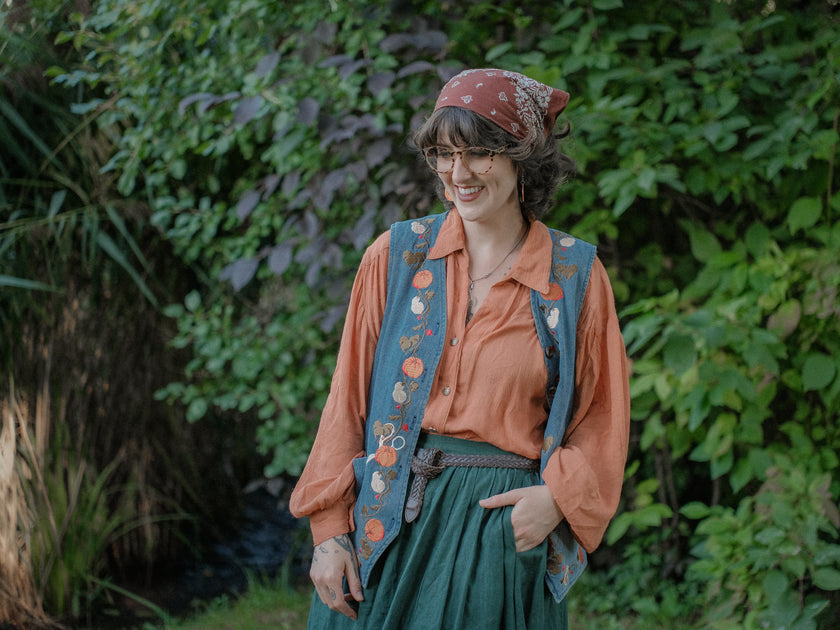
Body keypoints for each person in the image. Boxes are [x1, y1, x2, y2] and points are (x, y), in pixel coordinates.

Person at [289, 68, 630, 629]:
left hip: (493, 533)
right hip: (384, 518)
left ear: (522, 156)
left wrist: (556, 500)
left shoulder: (573, 277)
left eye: (478, 153)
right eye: (443, 154)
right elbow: (345, 400)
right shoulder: (396, 257)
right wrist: (329, 531)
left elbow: (602, 417)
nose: (458, 173)